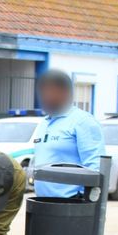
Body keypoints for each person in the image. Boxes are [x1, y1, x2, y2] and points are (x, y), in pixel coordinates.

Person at [30, 70, 105, 198]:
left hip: (72, 203)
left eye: (50, 91)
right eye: (43, 92)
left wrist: (83, 198)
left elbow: (96, 166)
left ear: (65, 93)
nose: (45, 97)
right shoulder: (45, 122)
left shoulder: (82, 121)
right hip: (43, 202)